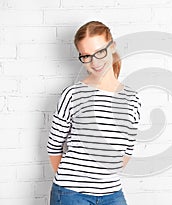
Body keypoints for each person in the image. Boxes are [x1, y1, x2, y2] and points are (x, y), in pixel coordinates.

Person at [47, 21, 141, 205]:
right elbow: (53, 147)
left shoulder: (132, 99)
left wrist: (103, 178)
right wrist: (75, 183)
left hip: (112, 193)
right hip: (71, 194)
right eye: (86, 56)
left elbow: (127, 150)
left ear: (112, 47)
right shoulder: (72, 95)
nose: (94, 62)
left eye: (100, 52)